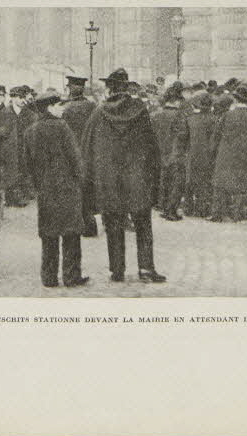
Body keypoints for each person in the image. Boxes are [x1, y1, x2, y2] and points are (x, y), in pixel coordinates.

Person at [81, 68, 165, 284]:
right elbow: (152, 147)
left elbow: (87, 147)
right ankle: (146, 268)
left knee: (113, 226)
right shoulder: (141, 110)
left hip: (110, 182)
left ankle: (117, 270)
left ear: (110, 89)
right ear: (127, 88)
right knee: (143, 225)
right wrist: (153, 176)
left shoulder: (99, 113)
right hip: (138, 180)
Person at [23, 90, 90, 288]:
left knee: (49, 234)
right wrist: (80, 180)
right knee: (71, 234)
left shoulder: (30, 131)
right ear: (50, 107)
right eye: (59, 105)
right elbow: (75, 158)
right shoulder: (62, 127)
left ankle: (49, 277)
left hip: (45, 189)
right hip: (67, 187)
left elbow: (27, 164)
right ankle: (71, 276)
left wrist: (38, 185)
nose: (62, 109)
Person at [210, 83, 247, 222]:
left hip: (226, 155)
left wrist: (213, 152)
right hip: (245, 155)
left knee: (221, 184)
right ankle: (236, 214)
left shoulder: (227, 115)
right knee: (240, 185)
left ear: (235, 100)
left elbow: (216, 136)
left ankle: (217, 214)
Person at [61, 74, 98, 236]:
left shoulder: (65, 108)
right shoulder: (92, 106)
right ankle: (90, 226)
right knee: (87, 190)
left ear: (71, 89)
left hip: (70, 154)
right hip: (88, 154)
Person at [151, 84, 188, 220]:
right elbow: (183, 136)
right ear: (176, 101)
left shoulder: (156, 115)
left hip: (160, 153)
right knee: (177, 183)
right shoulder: (179, 116)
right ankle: (171, 211)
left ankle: (164, 207)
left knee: (164, 181)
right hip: (175, 154)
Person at [182, 90, 215, 217]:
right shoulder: (214, 119)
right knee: (205, 182)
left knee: (189, 182)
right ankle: (202, 208)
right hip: (207, 155)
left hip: (192, 154)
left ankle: (188, 208)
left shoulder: (190, 119)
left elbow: (184, 139)